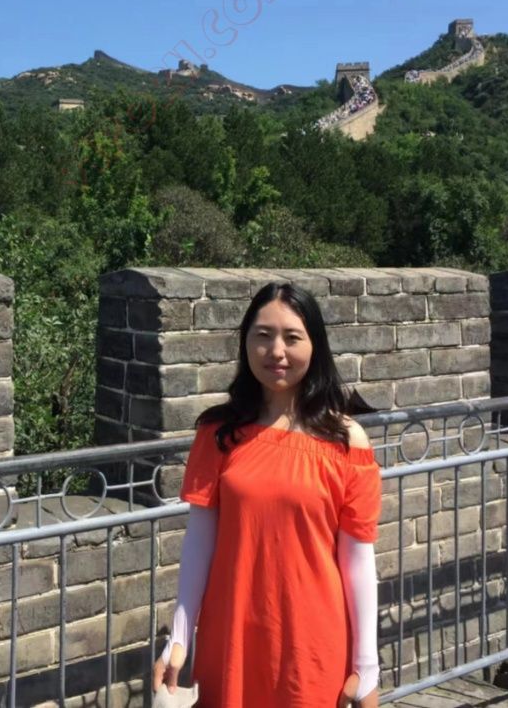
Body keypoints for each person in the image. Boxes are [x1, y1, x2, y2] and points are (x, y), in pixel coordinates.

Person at [152, 281, 382, 707]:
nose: (276, 351)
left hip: (312, 641)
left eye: (292, 337)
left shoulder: (347, 441)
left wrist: (366, 663)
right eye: (263, 335)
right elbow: (200, 542)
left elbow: (357, 558)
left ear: (315, 346)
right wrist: (179, 636)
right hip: (232, 632)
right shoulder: (219, 433)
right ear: (245, 343)